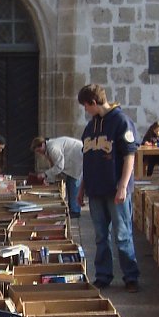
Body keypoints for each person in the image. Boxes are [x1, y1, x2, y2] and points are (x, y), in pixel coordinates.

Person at [76, 83, 140, 293]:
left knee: (122, 235)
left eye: (86, 106)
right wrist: (82, 187)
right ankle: (103, 275)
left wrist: (122, 186)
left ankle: (131, 276)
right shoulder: (90, 127)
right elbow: (88, 159)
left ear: (94, 103)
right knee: (100, 236)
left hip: (115, 190)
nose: (86, 110)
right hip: (96, 190)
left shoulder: (121, 121)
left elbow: (130, 155)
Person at [30, 136, 84, 218]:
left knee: (73, 184)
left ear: (42, 145)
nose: (39, 153)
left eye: (38, 150)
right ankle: (73, 208)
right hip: (73, 159)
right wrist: (49, 180)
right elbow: (53, 165)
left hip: (77, 158)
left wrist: (44, 174)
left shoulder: (52, 148)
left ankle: (75, 211)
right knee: (70, 184)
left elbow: (59, 167)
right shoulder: (48, 149)